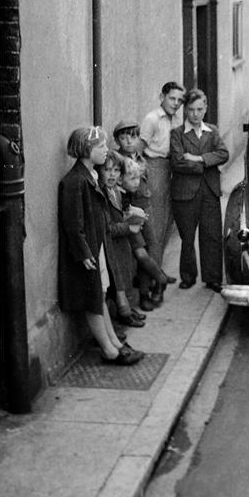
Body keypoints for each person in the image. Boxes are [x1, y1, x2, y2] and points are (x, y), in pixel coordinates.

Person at [58, 126, 144, 365]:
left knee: (100, 294)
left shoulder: (91, 176)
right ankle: (109, 350)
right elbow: (73, 224)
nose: (107, 151)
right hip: (88, 252)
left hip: (98, 247)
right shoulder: (75, 181)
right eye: (101, 147)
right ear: (87, 150)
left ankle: (114, 342)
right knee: (92, 299)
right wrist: (84, 252)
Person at [170, 88, 229, 292]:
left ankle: (212, 278)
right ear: (185, 110)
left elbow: (224, 153)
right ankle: (188, 276)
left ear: (206, 109)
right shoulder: (177, 134)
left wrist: (199, 159)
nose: (195, 114)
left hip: (210, 191)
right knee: (187, 236)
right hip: (185, 193)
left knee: (212, 235)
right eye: (191, 110)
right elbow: (178, 162)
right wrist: (208, 164)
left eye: (200, 109)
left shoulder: (212, 130)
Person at [139, 81, 185, 275]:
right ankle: (153, 274)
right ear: (162, 97)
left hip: (171, 168)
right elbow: (140, 149)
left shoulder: (176, 120)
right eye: (172, 98)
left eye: (179, 100)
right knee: (156, 223)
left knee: (168, 222)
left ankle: (158, 268)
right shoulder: (152, 119)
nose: (175, 103)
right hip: (155, 167)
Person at [96, 151, 144, 328]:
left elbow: (119, 213)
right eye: (107, 170)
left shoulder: (115, 190)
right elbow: (107, 227)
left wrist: (131, 215)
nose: (112, 175)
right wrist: (128, 227)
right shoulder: (102, 193)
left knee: (124, 275)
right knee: (115, 284)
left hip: (120, 242)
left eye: (116, 170)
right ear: (100, 171)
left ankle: (126, 310)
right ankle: (121, 315)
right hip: (111, 244)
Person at [120, 156, 168, 311]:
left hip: (134, 220)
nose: (136, 182)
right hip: (125, 224)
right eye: (132, 179)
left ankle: (147, 290)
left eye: (138, 179)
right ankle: (160, 278)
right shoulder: (119, 190)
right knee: (140, 255)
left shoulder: (131, 188)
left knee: (143, 253)